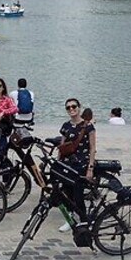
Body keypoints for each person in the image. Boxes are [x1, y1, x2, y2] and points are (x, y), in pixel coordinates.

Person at [57, 99, 97, 232]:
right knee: (67, 192)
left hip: (81, 163)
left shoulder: (88, 126)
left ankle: (84, 220)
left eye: (74, 106)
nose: (71, 109)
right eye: (68, 107)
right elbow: (62, 147)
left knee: (78, 194)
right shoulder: (65, 126)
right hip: (67, 164)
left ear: (79, 108)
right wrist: (59, 162)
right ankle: (70, 218)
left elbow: (92, 148)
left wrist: (90, 168)